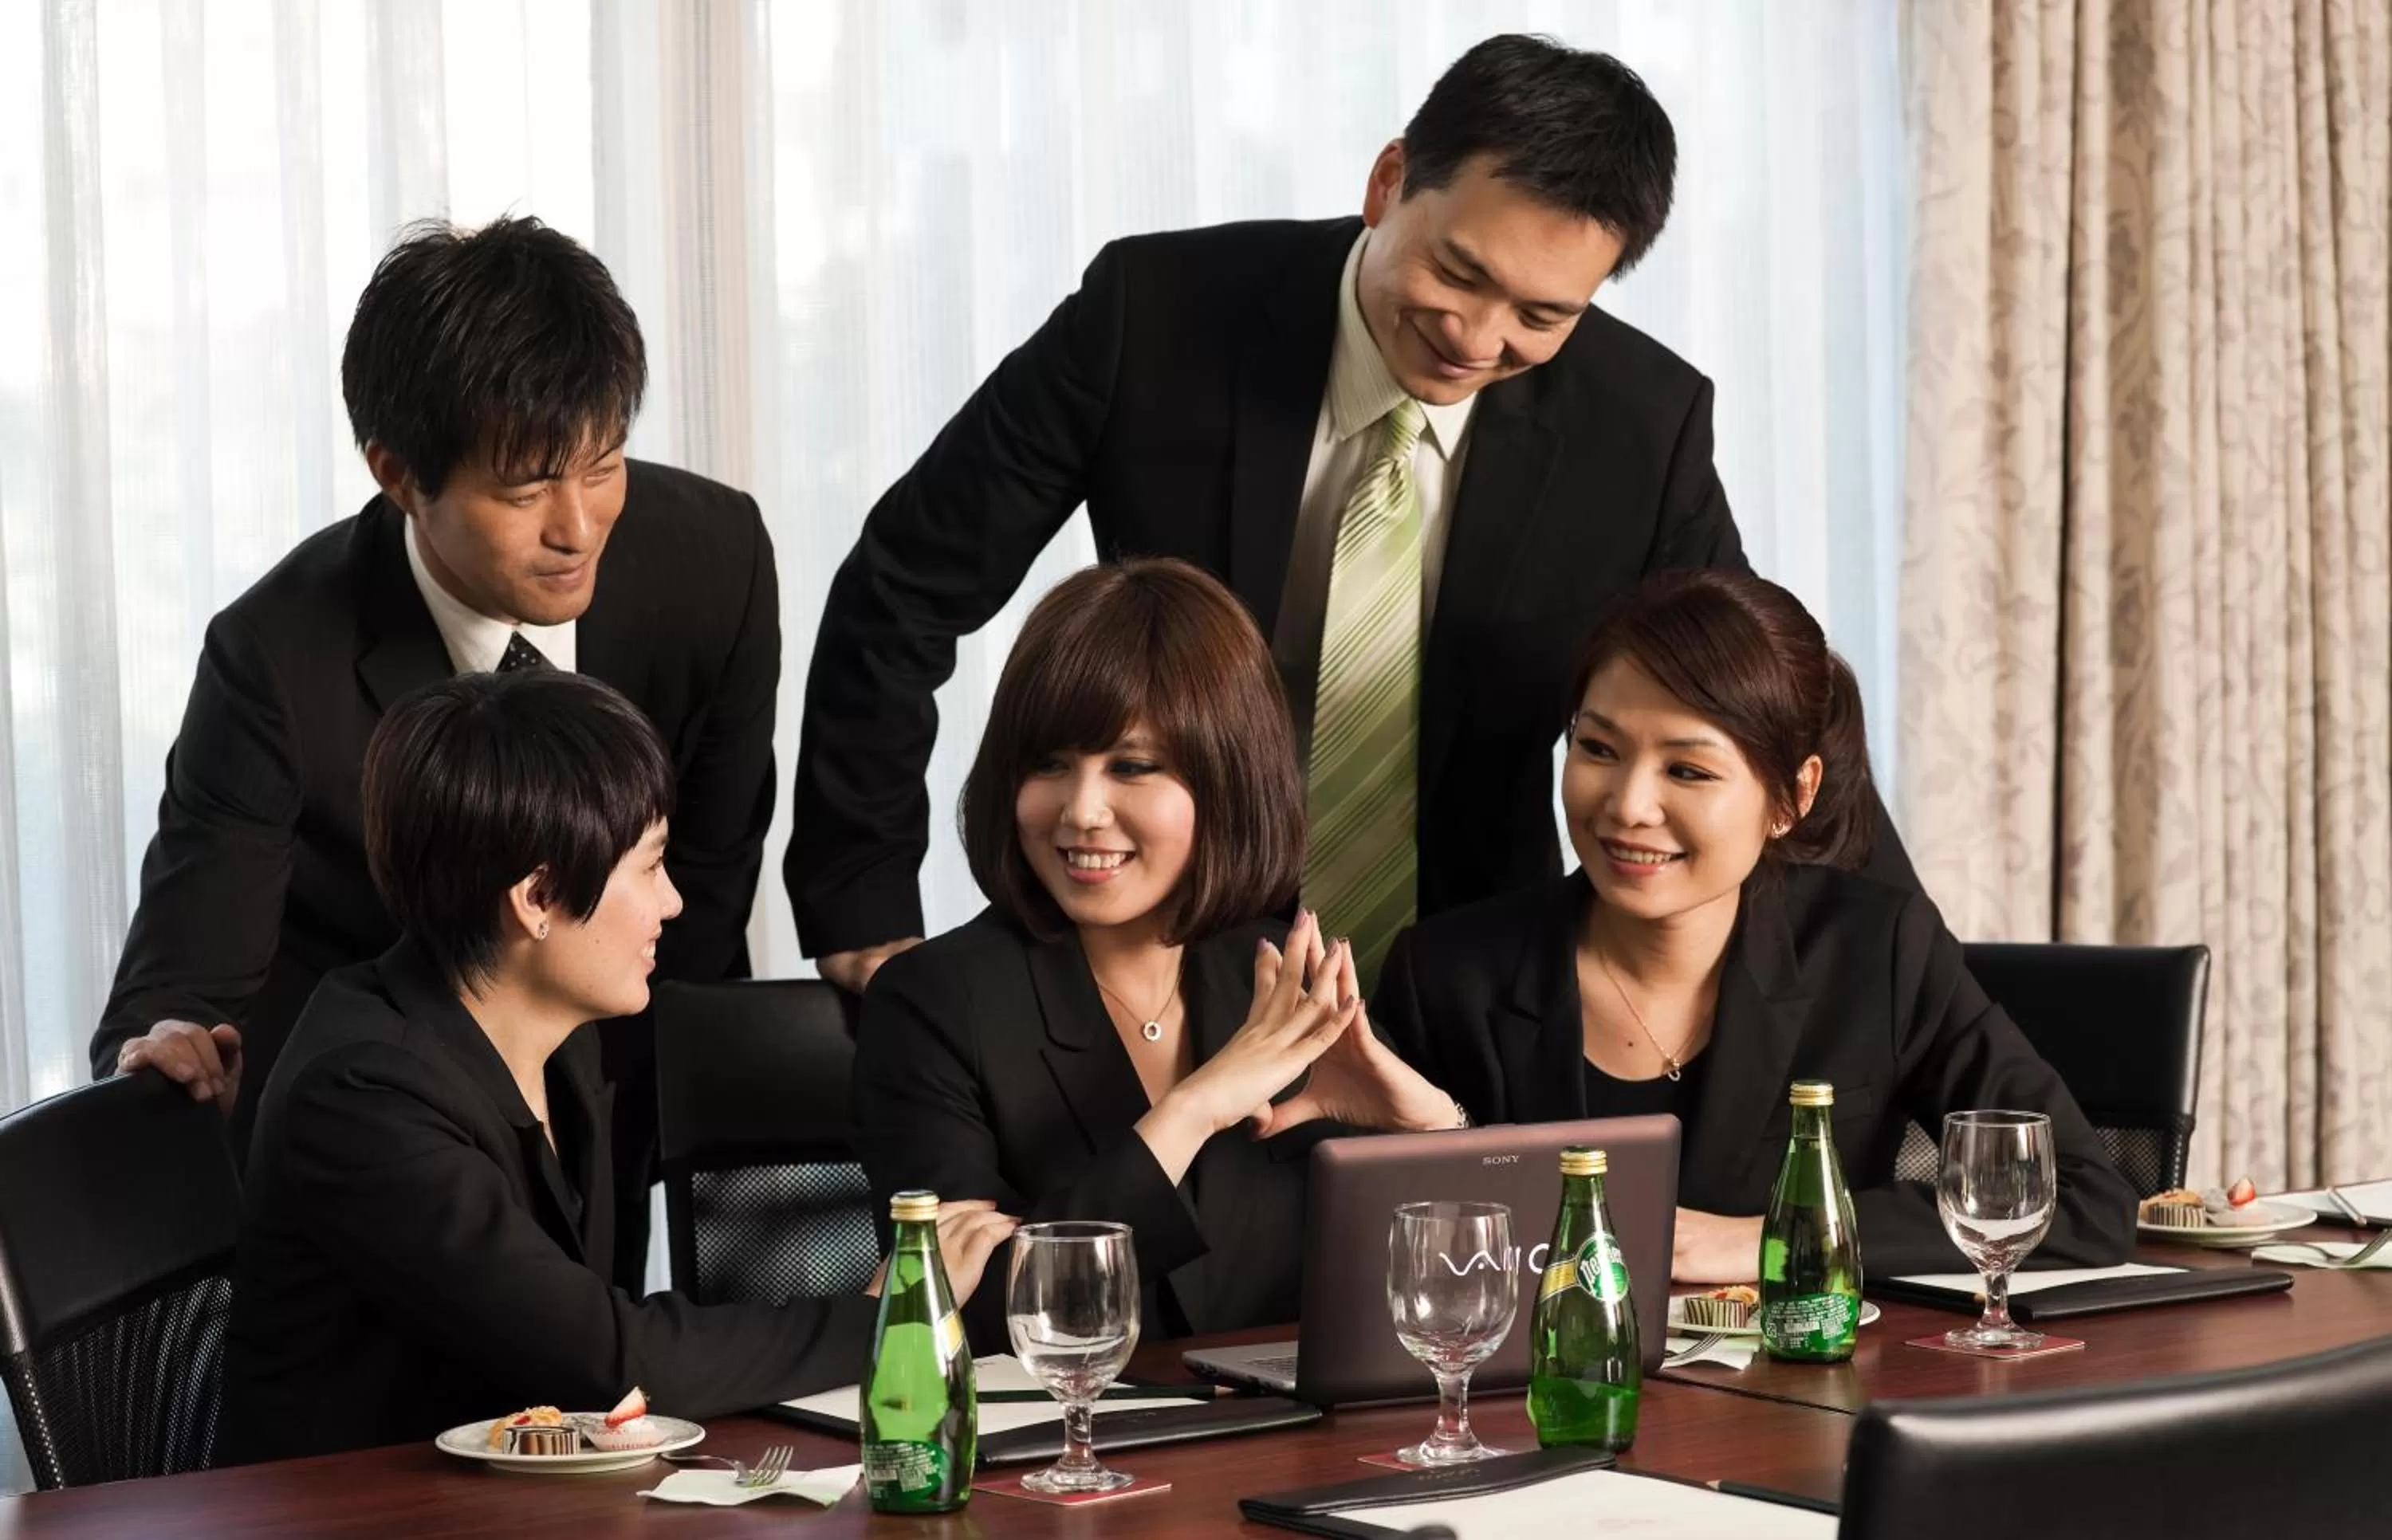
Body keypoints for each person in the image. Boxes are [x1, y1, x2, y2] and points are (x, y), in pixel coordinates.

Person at [793, 35, 1929, 1000]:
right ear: (1390, 183)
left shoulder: (1640, 424)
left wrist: (1932, 1000)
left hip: (1474, 985)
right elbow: (906, 585)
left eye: (1541, 314)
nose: (1477, 341)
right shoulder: (1157, 319)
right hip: (1152, 953)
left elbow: (1763, 708)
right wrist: (861, 896)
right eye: (1458, 273)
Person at [92, 216, 780, 1284]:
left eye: (602, 466)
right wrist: (170, 1039)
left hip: (614, 1086)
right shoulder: (276, 655)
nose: (578, 526)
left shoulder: (715, 564)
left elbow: (708, 895)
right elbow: (188, 973)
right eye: (525, 490)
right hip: (386, 1151)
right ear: (398, 473)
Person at [214, 670, 1015, 1464]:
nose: (672, 903)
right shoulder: (364, 1095)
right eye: (650, 865)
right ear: (537, 898)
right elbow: (607, 1359)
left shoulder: (558, 1034)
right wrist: (884, 1316)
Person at [1375, 569, 2137, 1280]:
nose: (1628, 806)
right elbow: (1388, 1253)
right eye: (1598, 748)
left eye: (1688, 770)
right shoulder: (1447, 975)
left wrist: (1765, 1239)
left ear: (1792, 796)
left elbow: (2082, 1200)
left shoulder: (1878, 951)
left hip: (1803, 1408)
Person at [852, 560, 1466, 1346]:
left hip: (1300, 1441)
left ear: (1227, 778)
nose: (1080, 811)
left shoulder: (1287, 977)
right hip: (1062, 1453)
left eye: (1131, 768)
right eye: (1048, 765)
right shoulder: (933, 1002)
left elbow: (1449, 1295)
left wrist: (1431, 1129)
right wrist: (1190, 1112)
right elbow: (953, 1319)